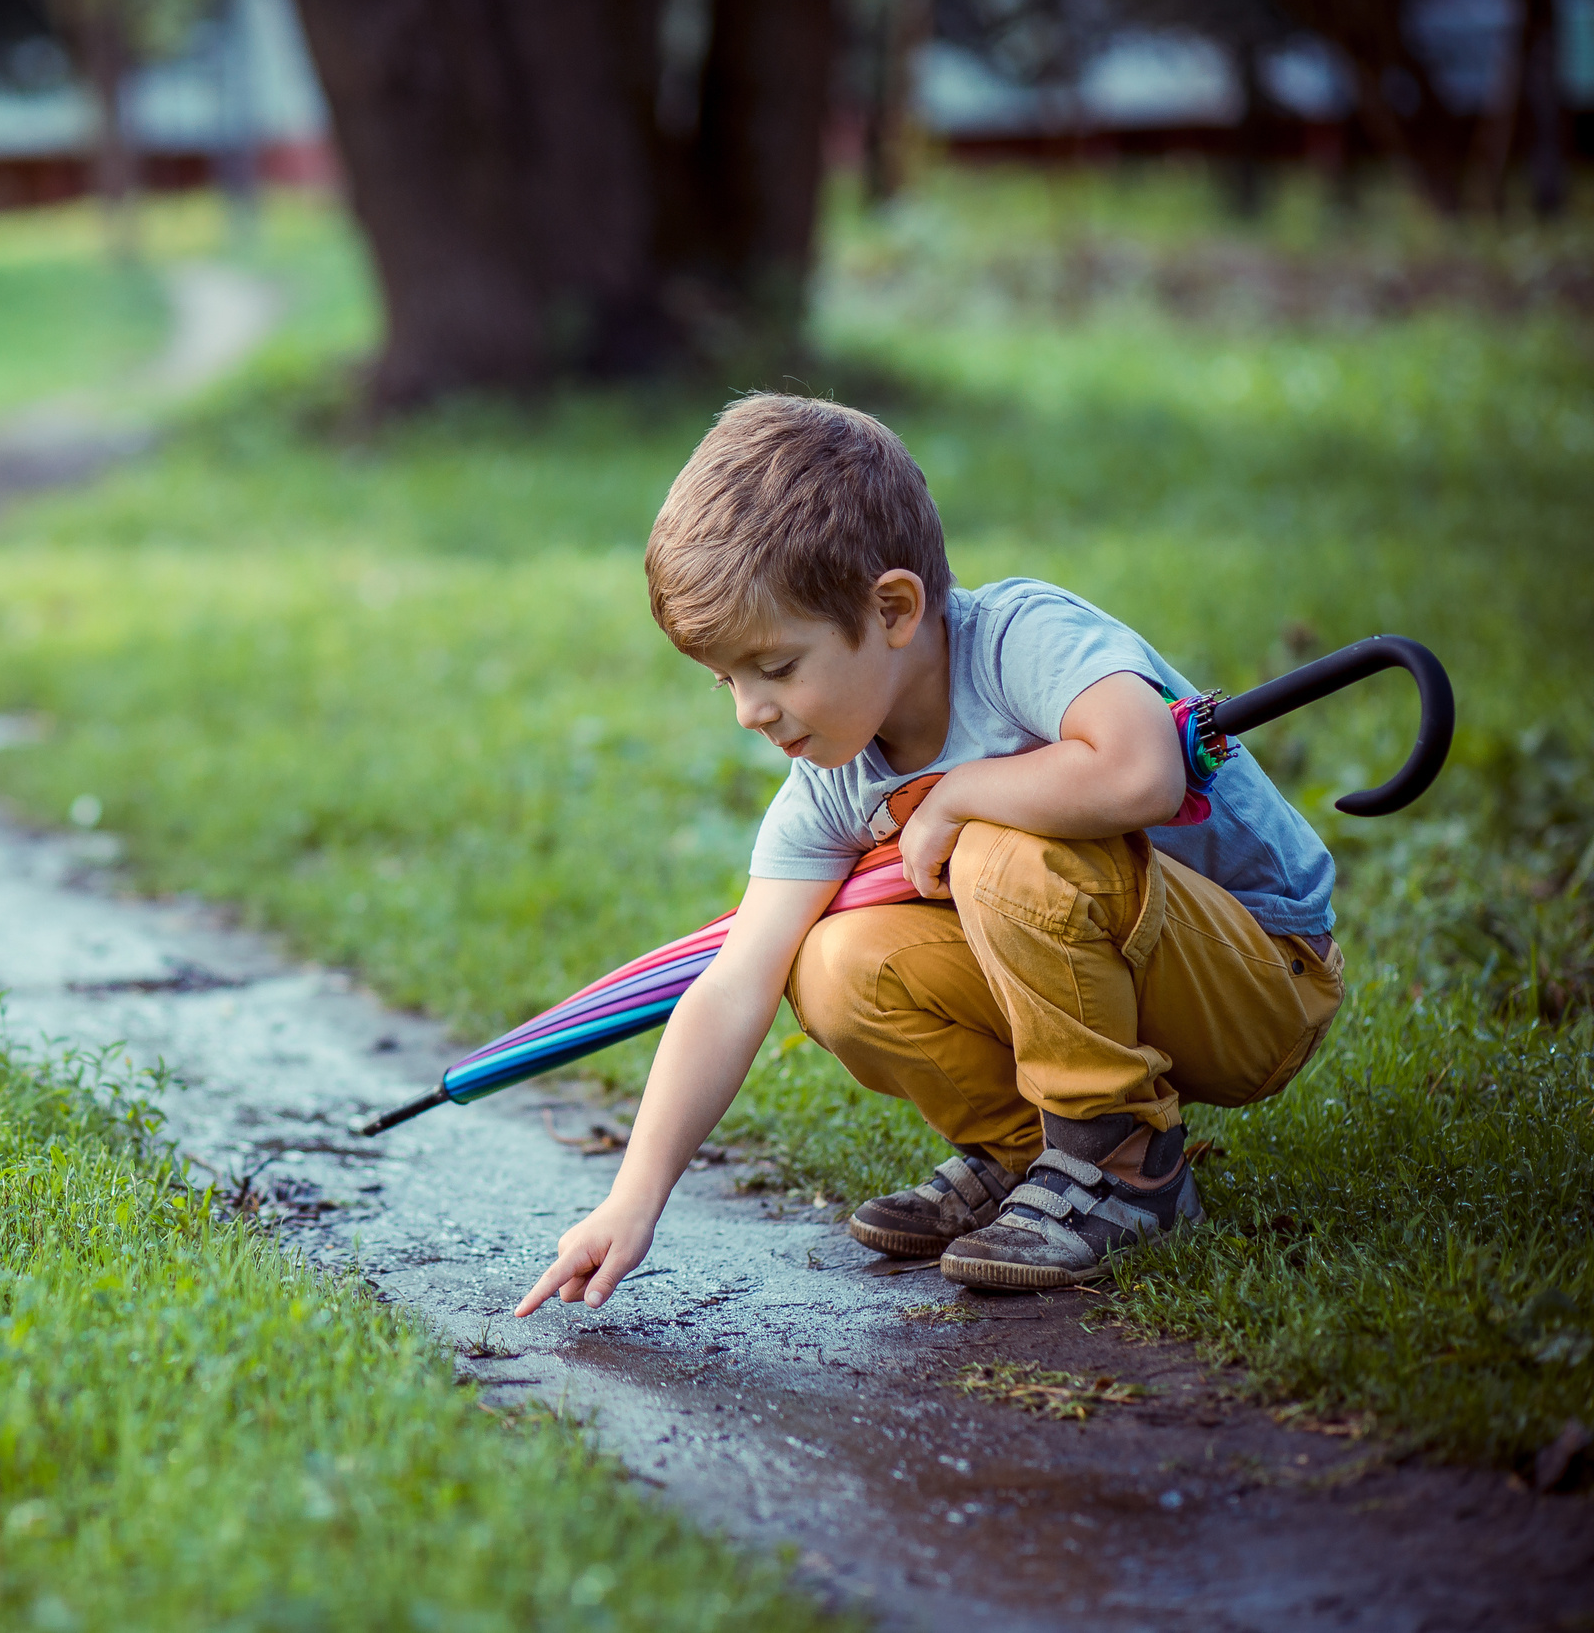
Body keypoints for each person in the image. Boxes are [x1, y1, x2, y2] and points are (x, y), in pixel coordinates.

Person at [517, 394, 1342, 1309]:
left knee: (1000, 850)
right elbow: (731, 982)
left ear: (895, 607)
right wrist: (633, 1199)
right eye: (728, 681)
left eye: (777, 667)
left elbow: (1144, 770)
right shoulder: (835, 776)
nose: (750, 711)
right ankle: (1033, 1156)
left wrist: (960, 796)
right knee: (829, 963)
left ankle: (1127, 1166)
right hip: (1126, 977)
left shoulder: (1023, 641)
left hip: (1258, 978)